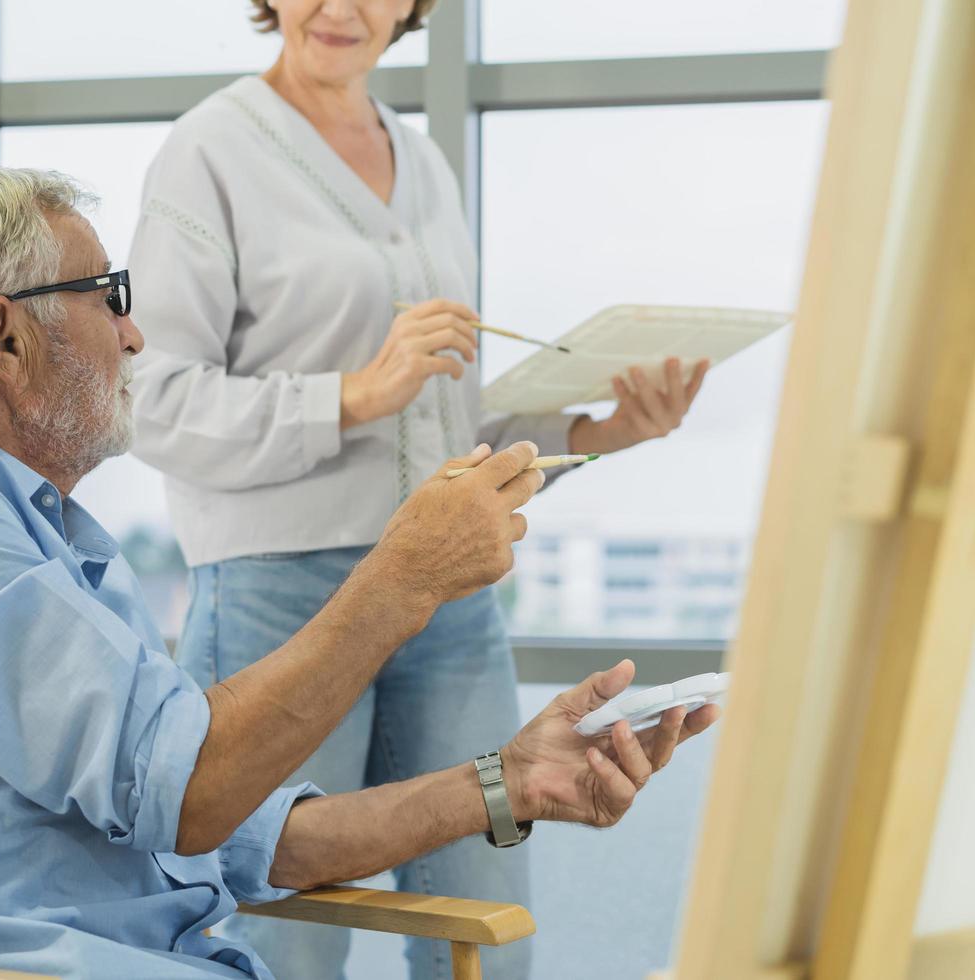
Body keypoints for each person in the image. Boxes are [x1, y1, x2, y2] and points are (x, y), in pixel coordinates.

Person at [0, 160, 719, 980]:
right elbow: (190, 794)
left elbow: (242, 831)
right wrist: (405, 575)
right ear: (5, 337)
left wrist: (510, 780)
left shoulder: (34, 527)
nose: (134, 336)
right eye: (109, 297)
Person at [128, 3, 711, 977]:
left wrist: (602, 432)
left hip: (451, 596)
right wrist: (355, 393)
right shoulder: (208, 154)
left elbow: (445, 410)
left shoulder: (425, 161)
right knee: (278, 932)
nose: (342, 7)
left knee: (485, 924)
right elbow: (151, 402)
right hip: (285, 598)